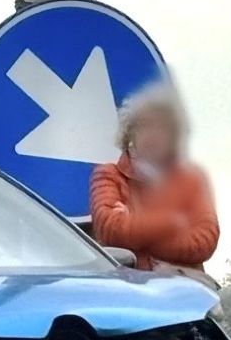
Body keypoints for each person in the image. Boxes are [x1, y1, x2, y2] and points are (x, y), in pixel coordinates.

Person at [89, 83, 219, 278]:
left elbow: (205, 241)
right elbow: (111, 229)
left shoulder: (193, 181)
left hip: (183, 293)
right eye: (147, 126)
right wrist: (174, 224)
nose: (157, 135)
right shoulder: (108, 175)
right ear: (130, 133)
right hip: (130, 293)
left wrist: (134, 226)